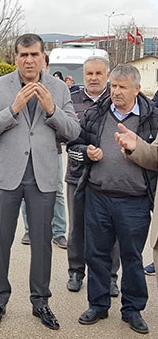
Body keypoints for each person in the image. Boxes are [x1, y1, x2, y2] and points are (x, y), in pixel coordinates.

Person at [0, 33, 80, 330]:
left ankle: (41, 301)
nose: (29, 60)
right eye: (23, 55)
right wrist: (12, 109)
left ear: (43, 57)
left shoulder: (59, 89)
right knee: (1, 240)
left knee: (42, 243)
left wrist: (51, 109)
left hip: (43, 176)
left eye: (34, 54)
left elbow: (73, 131)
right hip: (7, 177)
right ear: (15, 58)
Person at [69, 64, 158, 335]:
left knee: (132, 257)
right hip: (98, 195)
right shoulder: (96, 114)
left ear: (137, 89)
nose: (116, 92)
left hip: (135, 200)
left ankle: (132, 310)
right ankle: (97, 305)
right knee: (96, 254)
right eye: (114, 86)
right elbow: (74, 145)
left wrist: (137, 146)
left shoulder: (152, 118)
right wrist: (86, 152)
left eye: (122, 87)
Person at [64, 56, 120, 295]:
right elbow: (66, 139)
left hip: (109, 177)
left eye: (99, 73)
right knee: (77, 227)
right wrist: (84, 152)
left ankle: (110, 277)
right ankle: (76, 271)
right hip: (77, 175)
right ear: (83, 75)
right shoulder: (71, 100)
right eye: (89, 74)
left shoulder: (116, 100)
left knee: (111, 229)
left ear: (107, 75)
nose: (94, 78)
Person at [19, 53, 67, 248]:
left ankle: (59, 231)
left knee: (57, 192)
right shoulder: (20, 91)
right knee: (25, 191)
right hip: (26, 152)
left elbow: (67, 126)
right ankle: (29, 229)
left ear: (46, 67)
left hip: (52, 151)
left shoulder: (58, 91)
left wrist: (50, 108)